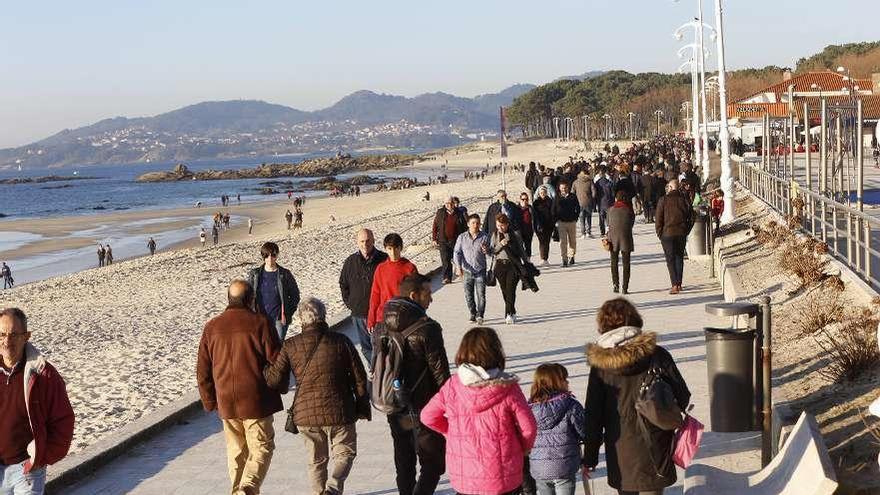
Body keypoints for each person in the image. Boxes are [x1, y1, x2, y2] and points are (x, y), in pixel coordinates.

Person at [583, 298, 691, 495]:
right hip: (656, 446)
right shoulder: (657, 354)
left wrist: (589, 457)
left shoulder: (600, 367)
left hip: (621, 450)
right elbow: (683, 396)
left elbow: (593, 416)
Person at [263, 298, 370, 495]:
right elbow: (359, 377)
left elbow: (275, 381)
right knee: (345, 452)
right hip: (340, 410)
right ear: (323, 316)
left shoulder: (290, 345)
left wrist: (263, 367)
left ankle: (320, 492)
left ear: (302, 320)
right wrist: (362, 405)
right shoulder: (341, 341)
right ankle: (332, 488)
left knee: (316, 460)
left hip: (306, 413)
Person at [421, 326, 537, 495]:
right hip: (503, 476)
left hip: (465, 478)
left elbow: (427, 416)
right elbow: (529, 428)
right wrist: (522, 448)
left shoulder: (453, 385)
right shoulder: (508, 387)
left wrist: (451, 432)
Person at [197, 281, 282, 495]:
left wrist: (209, 401)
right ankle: (248, 487)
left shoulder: (212, 326)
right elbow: (277, 361)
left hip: (226, 399)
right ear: (251, 299)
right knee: (262, 446)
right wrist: (279, 387)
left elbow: (203, 370)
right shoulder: (261, 323)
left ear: (229, 299)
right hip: (255, 398)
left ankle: (238, 491)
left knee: (236, 452)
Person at [380, 274, 451, 495]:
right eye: (427, 294)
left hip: (393, 401)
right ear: (414, 295)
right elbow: (440, 373)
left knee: (404, 459)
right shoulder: (428, 328)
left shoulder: (382, 326)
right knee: (433, 461)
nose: (431, 299)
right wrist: (450, 406)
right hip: (423, 405)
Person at [0, 308, 75, 494]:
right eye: (1, 334)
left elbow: (64, 422)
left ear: (26, 336)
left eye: (14, 335)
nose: (7, 341)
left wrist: (40, 457)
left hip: (27, 471)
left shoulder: (43, 374)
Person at [528, 363, 586, 495]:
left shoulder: (529, 408)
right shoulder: (570, 405)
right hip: (564, 465)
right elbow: (583, 430)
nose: (567, 382)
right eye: (564, 379)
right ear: (556, 382)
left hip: (539, 466)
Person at [339, 229, 388, 370]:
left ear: (373, 241)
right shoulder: (350, 261)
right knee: (366, 347)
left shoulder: (383, 259)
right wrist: (350, 303)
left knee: (381, 346)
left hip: (379, 314)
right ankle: (375, 370)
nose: (365, 244)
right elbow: (343, 284)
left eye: (367, 241)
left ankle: (381, 371)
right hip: (359, 314)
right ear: (357, 242)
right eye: (361, 241)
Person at [248, 242, 301, 342]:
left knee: (277, 346)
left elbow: (295, 296)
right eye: (266, 255)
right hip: (260, 318)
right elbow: (247, 295)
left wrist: (287, 312)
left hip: (279, 319)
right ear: (263, 256)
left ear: (277, 255)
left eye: (273, 255)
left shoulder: (284, 274)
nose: (270, 258)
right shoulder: (255, 274)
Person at [366, 233, 417, 331]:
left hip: (404, 317)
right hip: (383, 317)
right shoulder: (380, 269)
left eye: (396, 248)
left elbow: (416, 295)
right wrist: (371, 319)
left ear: (401, 248)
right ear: (385, 249)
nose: (393, 252)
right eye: (389, 249)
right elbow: (375, 295)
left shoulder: (409, 268)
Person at [654, 180, 693, 294]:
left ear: (670, 187)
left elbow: (658, 219)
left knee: (670, 259)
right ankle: (679, 283)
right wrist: (686, 230)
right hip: (681, 232)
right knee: (679, 258)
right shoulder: (684, 200)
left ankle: (674, 284)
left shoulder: (663, 200)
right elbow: (692, 217)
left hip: (667, 233)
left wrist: (660, 233)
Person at [453, 214, 490, 325]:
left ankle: (480, 315)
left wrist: (486, 250)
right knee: (468, 295)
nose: (475, 225)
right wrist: (458, 267)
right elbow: (457, 252)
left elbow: (490, 252)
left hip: (480, 270)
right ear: (468, 224)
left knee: (481, 295)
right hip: (467, 270)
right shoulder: (462, 237)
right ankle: (473, 313)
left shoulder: (484, 236)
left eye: (477, 223)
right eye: (473, 223)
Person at [490, 214, 527, 325]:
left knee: (511, 289)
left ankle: (508, 314)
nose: (500, 228)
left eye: (502, 225)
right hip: (500, 266)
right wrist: (500, 245)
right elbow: (492, 251)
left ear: (507, 224)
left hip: (513, 265)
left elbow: (521, 250)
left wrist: (527, 263)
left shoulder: (515, 234)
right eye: (498, 225)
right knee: (504, 290)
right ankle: (512, 310)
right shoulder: (495, 235)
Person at [432, 197, 467, 284]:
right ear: (444, 204)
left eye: (451, 203)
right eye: (447, 203)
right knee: (445, 260)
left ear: (454, 203)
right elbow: (435, 225)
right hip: (443, 240)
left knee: (457, 257)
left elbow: (464, 226)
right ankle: (447, 277)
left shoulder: (459, 213)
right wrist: (434, 238)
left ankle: (461, 273)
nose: (449, 205)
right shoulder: (440, 212)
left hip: (456, 240)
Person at [607, 191, 636, 294]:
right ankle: (625, 287)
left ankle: (615, 284)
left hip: (612, 238)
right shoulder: (628, 210)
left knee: (614, 262)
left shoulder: (610, 210)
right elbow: (632, 223)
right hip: (626, 238)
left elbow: (608, 223)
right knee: (626, 263)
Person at [552, 182, 580, 267]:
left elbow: (577, 207)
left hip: (571, 222)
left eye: (565, 187)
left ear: (568, 188)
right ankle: (564, 259)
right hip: (561, 223)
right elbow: (553, 210)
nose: (563, 189)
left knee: (572, 241)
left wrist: (576, 217)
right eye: (562, 188)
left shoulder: (573, 196)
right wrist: (555, 220)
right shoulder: (557, 197)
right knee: (563, 242)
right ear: (559, 188)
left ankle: (571, 256)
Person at [532, 187, 555, 267]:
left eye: (544, 192)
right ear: (539, 193)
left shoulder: (550, 201)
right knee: (542, 242)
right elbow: (534, 215)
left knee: (547, 242)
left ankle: (545, 259)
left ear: (546, 193)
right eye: (541, 193)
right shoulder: (536, 202)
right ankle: (542, 258)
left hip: (549, 224)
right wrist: (536, 224)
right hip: (539, 225)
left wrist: (553, 223)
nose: (543, 194)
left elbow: (552, 212)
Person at [572, 170, 594, 238]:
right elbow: (594, 192)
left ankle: (583, 233)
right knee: (588, 217)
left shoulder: (575, 182)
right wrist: (592, 199)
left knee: (581, 218)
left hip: (579, 202)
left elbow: (572, 192)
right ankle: (588, 232)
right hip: (588, 202)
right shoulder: (590, 182)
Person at [594, 167, 614, 236]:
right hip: (609, 202)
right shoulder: (609, 182)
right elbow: (613, 194)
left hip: (600, 203)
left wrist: (595, 203)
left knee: (601, 218)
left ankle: (602, 232)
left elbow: (595, 194)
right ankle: (609, 231)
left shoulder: (597, 183)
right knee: (609, 218)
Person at [518, 193, 536, 258]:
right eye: (523, 199)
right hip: (519, 231)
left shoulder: (530, 208)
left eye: (526, 199)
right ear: (520, 200)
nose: (525, 201)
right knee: (520, 247)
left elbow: (534, 219)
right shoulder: (517, 208)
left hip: (529, 230)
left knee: (528, 246)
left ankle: (528, 261)